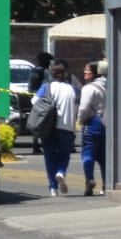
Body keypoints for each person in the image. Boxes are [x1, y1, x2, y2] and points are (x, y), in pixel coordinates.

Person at [38, 61, 79, 196]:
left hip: (48, 127)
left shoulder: (47, 87)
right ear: (64, 74)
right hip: (67, 127)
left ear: (52, 74)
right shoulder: (71, 89)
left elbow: (34, 101)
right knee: (64, 155)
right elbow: (76, 104)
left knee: (49, 157)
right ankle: (61, 172)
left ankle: (53, 188)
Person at [78, 61, 108, 196]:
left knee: (87, 152)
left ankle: (89, 179)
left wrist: (80, 120)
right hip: (108, 123)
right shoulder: (110, 85)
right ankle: (107, 184)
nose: (85, 72)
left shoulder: (89, 88)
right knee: (103, 156)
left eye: (87, 70)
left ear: (95, 72)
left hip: (93, 122)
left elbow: (84, 108)